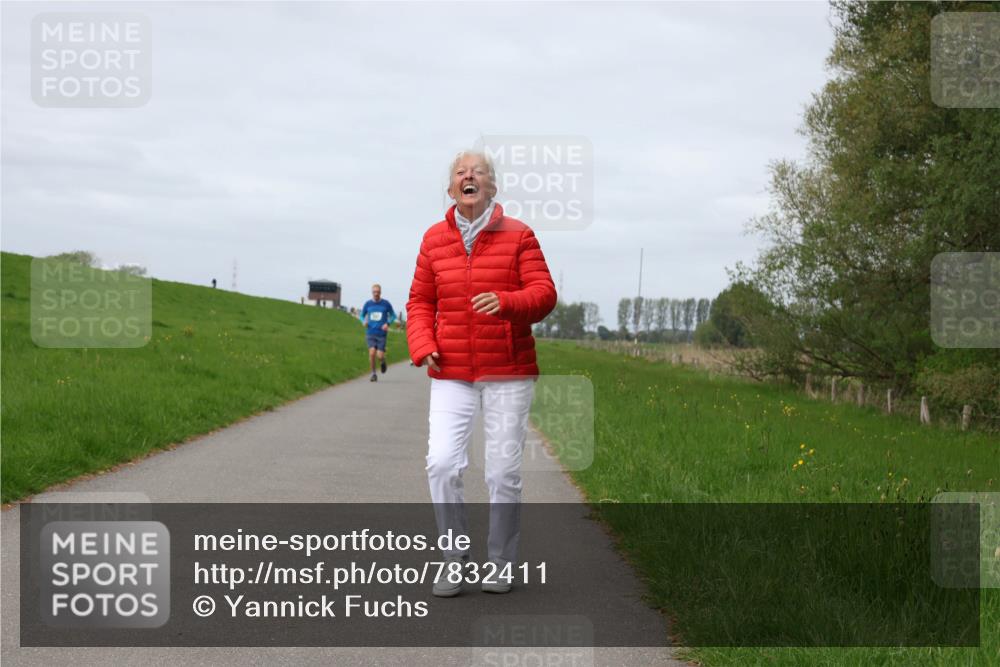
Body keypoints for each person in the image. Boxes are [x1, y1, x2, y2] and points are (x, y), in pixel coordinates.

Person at [406, 150, 557, 596]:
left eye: (478, 172)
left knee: (501, 473)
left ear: (492, 186)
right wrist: (422, 344)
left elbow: (544, 294)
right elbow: (420, 301)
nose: (468, 176)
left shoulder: (520, 235)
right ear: (450, 188)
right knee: (442, 463)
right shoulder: (434, 239)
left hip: (508, 370)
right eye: (460, 172)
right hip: (451, 369)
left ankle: (500, 563)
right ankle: (453, 559)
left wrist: (507, 302)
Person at [359, 284, 396, 382]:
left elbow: (393, 315)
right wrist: (364, 321)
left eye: (378, 292)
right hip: (370, 332)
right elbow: (361, 315)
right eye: (374, 292)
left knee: (379, 355)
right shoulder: (368, 304)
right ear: (372, 292)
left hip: (381, 334)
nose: (376, 294)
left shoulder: (386, 304)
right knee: (372, 353)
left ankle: (383, 361)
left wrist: (387, 323)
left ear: (380, 292)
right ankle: (373, 374)